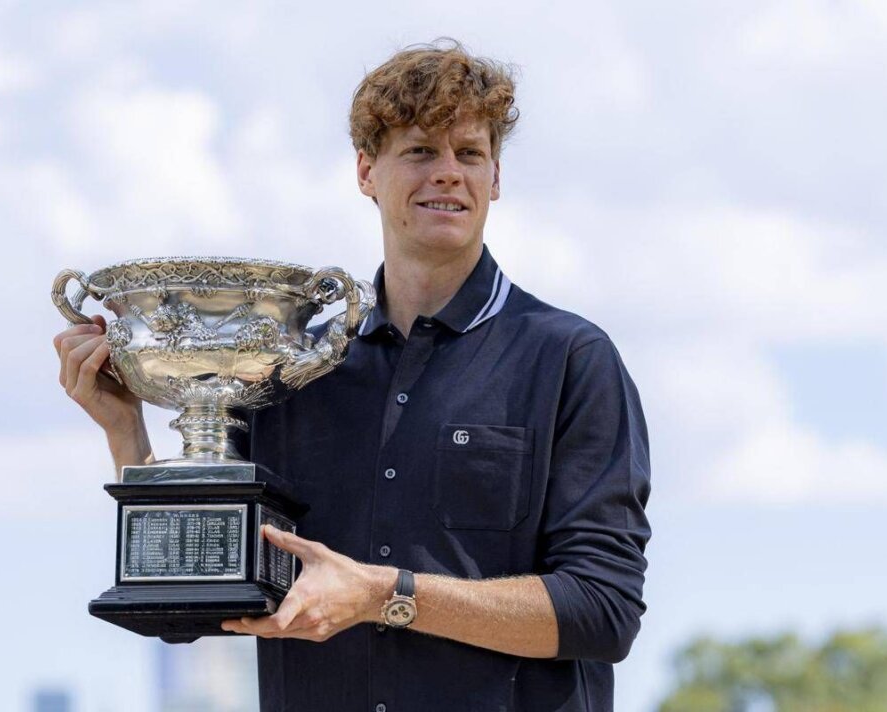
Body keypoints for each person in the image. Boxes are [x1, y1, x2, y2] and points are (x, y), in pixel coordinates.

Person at [54, 40, 651, 712]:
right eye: (420, 151)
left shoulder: (569, 359)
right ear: (367, 171)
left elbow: (602, 610)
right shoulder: (288, 373)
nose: (448, 174)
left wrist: (385, 595)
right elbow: (193, 598)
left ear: (495, 177)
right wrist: (126, 433)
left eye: (469, 153)